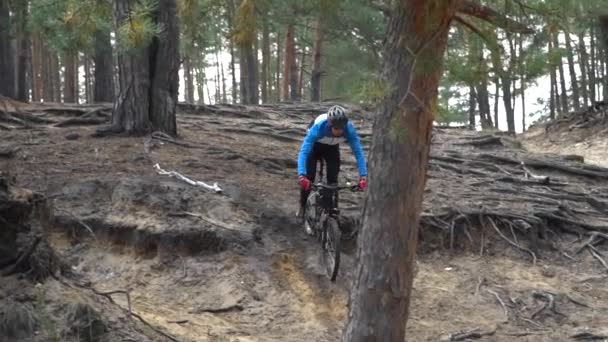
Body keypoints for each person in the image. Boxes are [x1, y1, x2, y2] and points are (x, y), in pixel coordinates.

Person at [296, 105, 367, 231]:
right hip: (315, 147)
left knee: (333, 180)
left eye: (341, 128)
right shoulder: (319, 128)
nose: (339, 131)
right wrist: (302, 175)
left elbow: (358, 152)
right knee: (309, 176)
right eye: (336, 128)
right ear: (330, 124)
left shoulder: (349, 129)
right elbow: (304, 151)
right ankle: (302, 205)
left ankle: (330, 213)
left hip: (332, 148)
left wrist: (363, 176)